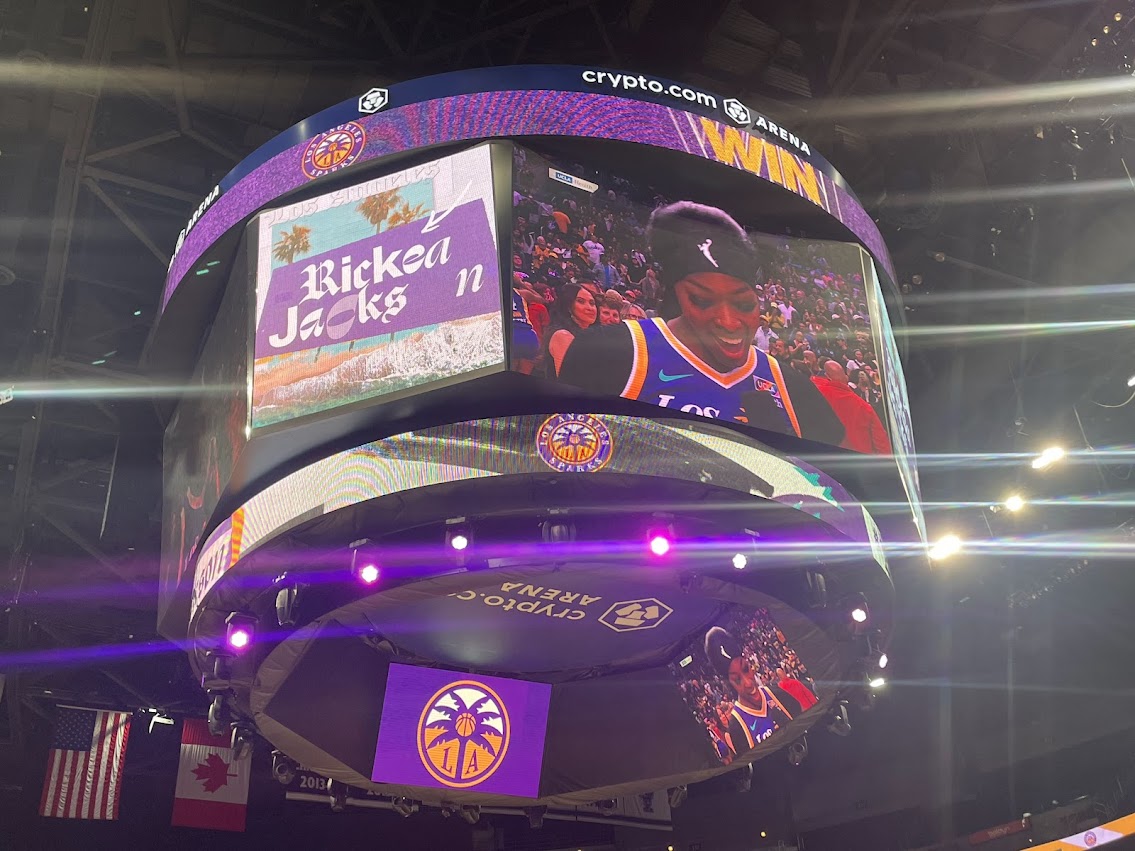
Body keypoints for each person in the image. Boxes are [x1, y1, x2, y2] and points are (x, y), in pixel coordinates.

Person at [557, 202, 843, 444]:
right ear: (678, 297)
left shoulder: (790, 386)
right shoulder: (610, 352)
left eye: (744, 305)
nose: (729, 322)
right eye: (703, 301)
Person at [704, 627, 794, 754]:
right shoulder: (737, 727)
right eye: (737, 679)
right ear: (730, 685)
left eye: (746, 669)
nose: (747, 682)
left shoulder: (777, 693)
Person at [811, 360, 892, 454]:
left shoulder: (815, 393)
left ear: (827, 376)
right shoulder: (864, 406)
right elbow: (882, 444)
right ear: (846, 378)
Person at [538, 281, 596, 378]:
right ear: (568, 306)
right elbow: (571, 380)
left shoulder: (589, 335)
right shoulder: (562, 336)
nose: (590, 308)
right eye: (581, 301)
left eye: (592, 303)